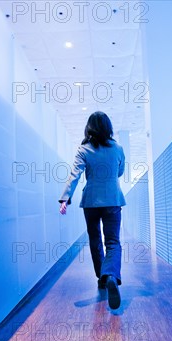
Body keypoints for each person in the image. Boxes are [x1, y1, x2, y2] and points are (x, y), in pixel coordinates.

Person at [59, 111, 126, 310]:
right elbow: (120, 171)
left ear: (89, 128)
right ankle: (111, 274)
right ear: (109, 128)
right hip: (113, 200)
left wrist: (65, 198)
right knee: (112, 241)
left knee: (95, 240)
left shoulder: (84, 149)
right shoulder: (118, 148)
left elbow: (75, 175)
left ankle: (102, 278)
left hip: (91, 202)